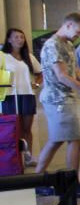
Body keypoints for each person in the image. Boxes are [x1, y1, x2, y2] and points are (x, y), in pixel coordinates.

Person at [36, 14, 80, 188]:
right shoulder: (52, 45)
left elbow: (76, 71)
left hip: (66, 98)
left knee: (58, 140)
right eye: (78, 32)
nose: (79, 36)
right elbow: (62, 76)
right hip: (57, 99)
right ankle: (71, 183)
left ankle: (39, 179)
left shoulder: (68, 45)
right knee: (73, 140)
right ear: (68, 25)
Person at [2, 28, 42, 165]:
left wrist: (36, 84)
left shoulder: (29, 57)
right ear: (9, 39)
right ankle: (14, 156)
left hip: (27, 95)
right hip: (9, 96)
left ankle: (28, 156)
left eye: (22, 37)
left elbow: (41, 72)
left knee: (26, 128)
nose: (20, 40)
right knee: (13, 127)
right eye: (16, 37)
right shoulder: (3, 56)